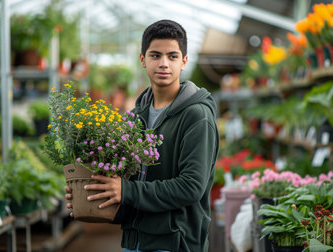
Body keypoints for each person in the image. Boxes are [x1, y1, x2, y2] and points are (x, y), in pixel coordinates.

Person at [66, 19, 220, 252]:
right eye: (155, 55)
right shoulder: (136, 116)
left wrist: (125, 190)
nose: (164, 64)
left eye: (173, 56)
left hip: (175, 243)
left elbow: (191, 186)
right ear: (143, 59)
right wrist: (95, 192)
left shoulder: (197, 116)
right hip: (134, 242)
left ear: (184, 62)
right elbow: (136, 182)